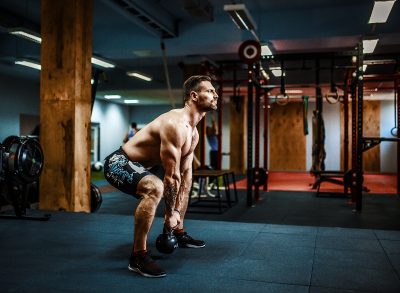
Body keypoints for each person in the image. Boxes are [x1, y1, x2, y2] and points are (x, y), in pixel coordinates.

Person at [103, 75, 218, 278]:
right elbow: (172, 177)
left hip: (145, 166)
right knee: (156, 187)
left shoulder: (194, 133)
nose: (215, 94)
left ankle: (179, 233)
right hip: (118, 162)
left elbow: (184, 175)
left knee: (188, 179)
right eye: (209, 90)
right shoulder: (175, 124)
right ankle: (138, 256)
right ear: (194, 96)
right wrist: (169, 214)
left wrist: (175, 218)